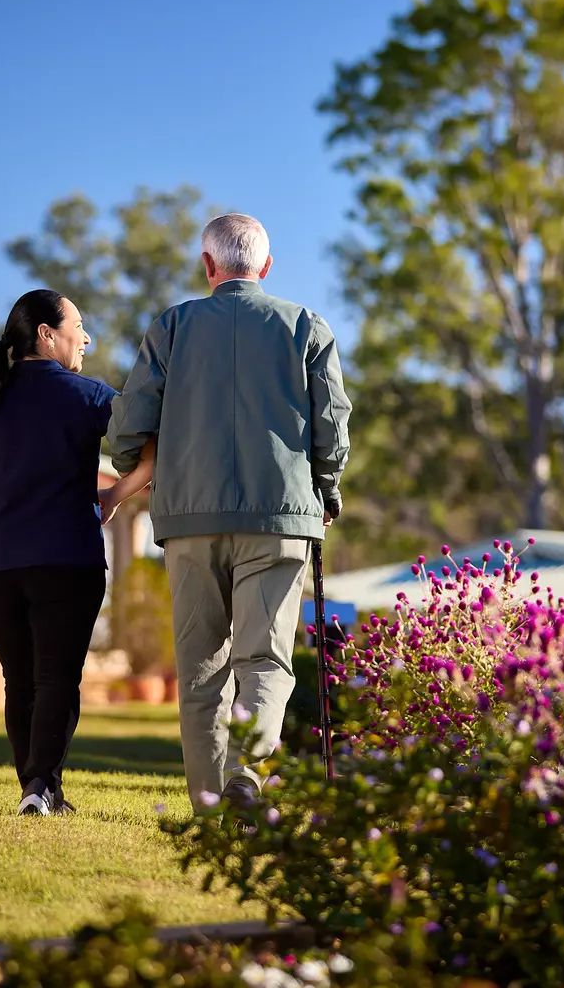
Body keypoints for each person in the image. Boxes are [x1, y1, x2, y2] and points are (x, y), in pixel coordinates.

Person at [105, 213, 352, 809]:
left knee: (199, 670)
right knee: (265, 657)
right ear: (264, 268)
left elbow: (132, 416)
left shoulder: (172, 326)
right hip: (281, 517)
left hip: (191, 518)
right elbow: (332, 424)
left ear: (208, 265)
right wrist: (327, 490)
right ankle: (249, 774)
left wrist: (130, 464)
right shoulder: (306, 328)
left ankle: (211, 802)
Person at [0, 289, 155, 816]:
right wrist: (114, 497)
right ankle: (41, 786)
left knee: (21, 678)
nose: (86, 337)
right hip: (68, 559)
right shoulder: (90, 396)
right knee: (57, 678)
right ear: (46, 334)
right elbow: (153, 454)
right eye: (79, 325)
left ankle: (37, 788)